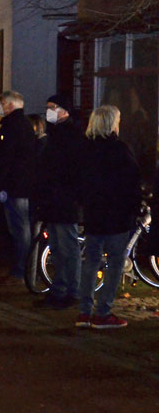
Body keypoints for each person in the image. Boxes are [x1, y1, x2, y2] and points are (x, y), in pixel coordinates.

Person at [75, 105, 140, 329]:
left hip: (94, 215)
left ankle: (84, 311)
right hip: (117, 216)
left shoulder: (85, 149)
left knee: (91, 262)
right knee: (114, 264)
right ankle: (103, 312)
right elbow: (132, 183)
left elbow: (78, 182)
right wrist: (134, 208)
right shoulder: (121, 150)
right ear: (112, 123)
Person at [33, 95, 84, 309]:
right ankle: (59, 289)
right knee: (56, 247)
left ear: (65, 111)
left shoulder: (72, 135)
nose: (49, 112)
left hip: (64, 201)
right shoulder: (56, 134)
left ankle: (72, 291)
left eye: (53, 108)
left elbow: (72, 170)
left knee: (68, 247)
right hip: (53, 201)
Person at [0, 90, 36, 283]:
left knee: (20, 229)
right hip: (22, 186)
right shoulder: (25, 126)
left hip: (15, 188)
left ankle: (21, 269)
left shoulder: (11, 127)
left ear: (9, 105)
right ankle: (24, 267)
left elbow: (4, 160)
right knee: (22, 228)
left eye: (1, 103)